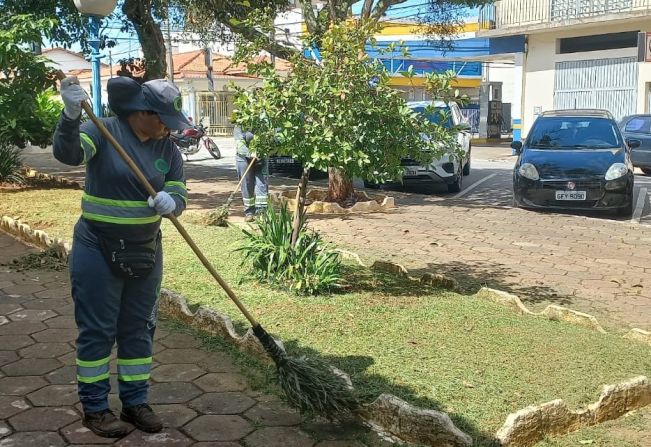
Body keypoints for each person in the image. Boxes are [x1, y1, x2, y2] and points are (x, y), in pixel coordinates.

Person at [53, 75, 190, 438]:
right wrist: (69, 115)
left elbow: (179, 193)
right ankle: (95, 409)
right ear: (141, 112)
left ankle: (135, 402)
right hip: (96, 247)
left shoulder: (168, 150)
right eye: (162, 119)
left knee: (139, 329)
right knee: (98, 331)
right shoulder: (100, 130)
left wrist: (171, 202)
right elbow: (68, 155)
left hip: (146, 249)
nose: (167, 128)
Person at [234, 125, 268, 222]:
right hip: (243, 159)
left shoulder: (262, 122)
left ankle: (261, 212)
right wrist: (250, 153)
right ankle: (249, 212)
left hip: (260, 158)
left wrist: (262, 151)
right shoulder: (239, 126)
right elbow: (239, 144)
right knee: (247, 185)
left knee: (262, 184)